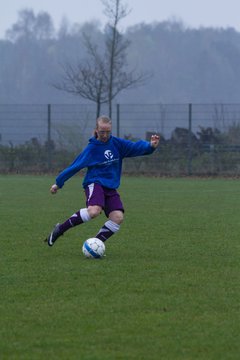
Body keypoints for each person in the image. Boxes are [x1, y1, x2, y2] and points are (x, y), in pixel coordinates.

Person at [45, 115, 160, 247]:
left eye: (107, 132)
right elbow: (75, 166)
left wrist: (150, 146)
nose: (105, 135)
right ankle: (60, 229)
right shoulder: (92, 149)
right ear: (96, 130)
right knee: (94, 211)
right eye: (102, 132)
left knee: (117, 217)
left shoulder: (117, 144)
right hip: (95, 183)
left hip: (110, 187)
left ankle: (94, 245)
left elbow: (135, 147)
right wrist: (58, 183)